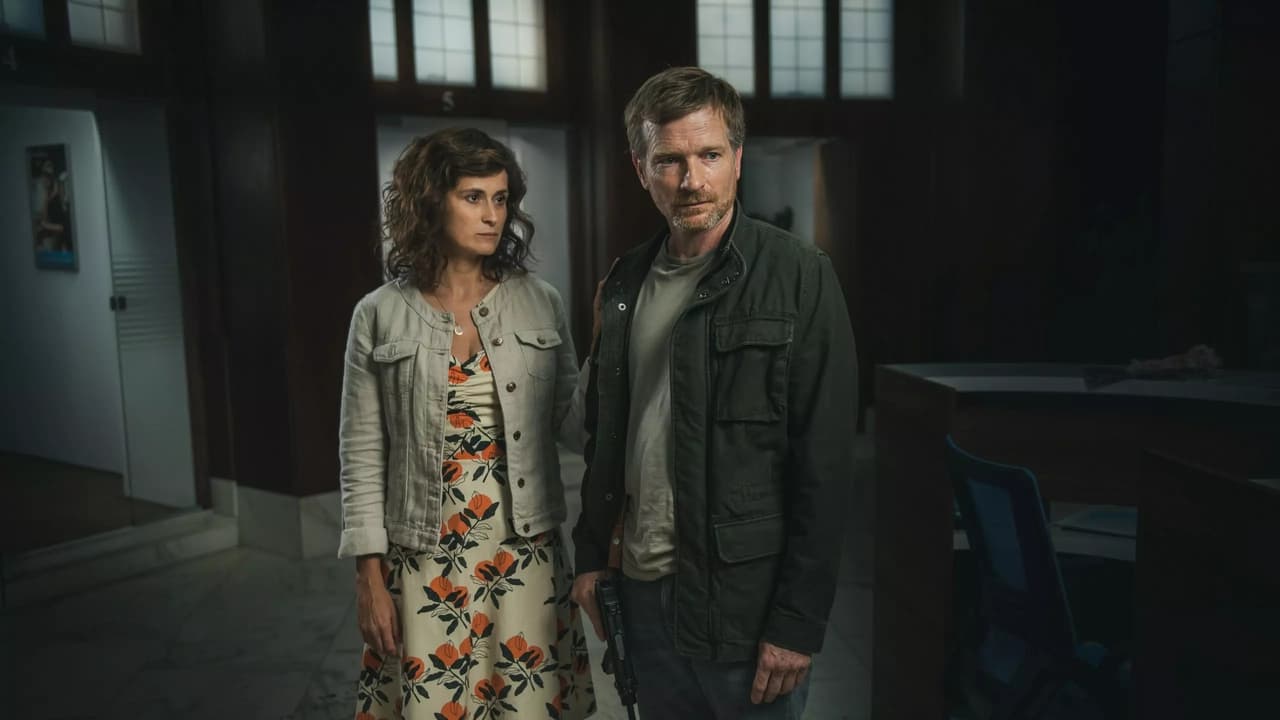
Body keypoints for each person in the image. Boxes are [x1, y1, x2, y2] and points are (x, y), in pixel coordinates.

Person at [570, 67, 858, 718]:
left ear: (738, 160)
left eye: (709, 155)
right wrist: (591, 555)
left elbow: (826, 467)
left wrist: (798, 622)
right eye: (668, 160)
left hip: (744, 605)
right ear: (640, 169)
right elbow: (605, 434)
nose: (691, 180)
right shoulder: (624, 283)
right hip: (642, 596)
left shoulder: (800, 276)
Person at [338, 128, 595, 720]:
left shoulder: (540, 302)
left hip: (525, 554)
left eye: (500, 199)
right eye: (473, 197)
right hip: (422, 557)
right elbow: (362, 451)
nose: (492, 215)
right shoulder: (378, 314)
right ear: (432, 202)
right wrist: (369, 578)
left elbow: (575, 425)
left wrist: (610, 348)